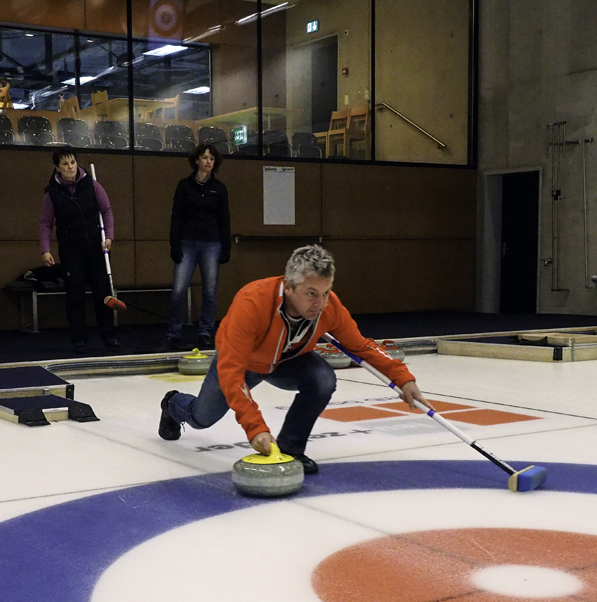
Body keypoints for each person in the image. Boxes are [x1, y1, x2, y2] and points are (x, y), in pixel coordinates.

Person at [157, 245, 431, 474]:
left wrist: (403, 378)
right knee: (202, 418)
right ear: (288, 287)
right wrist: (256, 429)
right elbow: (231, 371)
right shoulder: (252, 302)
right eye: (311, 293)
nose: (320, 303)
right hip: (244, 364)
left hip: (285, 361)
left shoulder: (330, 308)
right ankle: (173, 404)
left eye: (325, 292)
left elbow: (361, 346)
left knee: (322, 379)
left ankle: (291, 449)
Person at [39, 145, 121, 354]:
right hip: (71, 248)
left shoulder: (91, 184)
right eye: (65, 164)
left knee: (102, 292)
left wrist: (109, 236)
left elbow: (106, 210)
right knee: (75, 293)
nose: (70, 167)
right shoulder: (52, 192)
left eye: (73, 162)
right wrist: (45, 249)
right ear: (58, 167)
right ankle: (79, 339)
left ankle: (109, 335)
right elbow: (46, 223)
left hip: (96, 246)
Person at [160, 143, 231, 351]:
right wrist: (174, 244)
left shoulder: (219, 189)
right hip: (187, 242)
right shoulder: (184, 186)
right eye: (205, 157)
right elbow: (176, 216)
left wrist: (226, 247)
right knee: (178, 290)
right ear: (197, 160)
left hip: (212, 243)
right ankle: (173, 333)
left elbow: (224, 219)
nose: (208, 162)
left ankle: (205, 332)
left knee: (210, 291)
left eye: (212, 159)